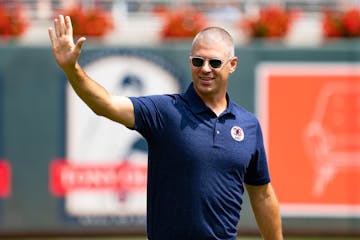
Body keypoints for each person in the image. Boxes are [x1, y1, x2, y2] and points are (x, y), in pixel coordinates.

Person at [48, 15, 283, 240]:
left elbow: (262, 194)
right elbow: (106, 104)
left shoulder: (248, 125)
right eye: (198, 61)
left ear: (232, 65)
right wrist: (72, 69)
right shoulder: (165, 111)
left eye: (215, 62)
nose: (205, 69)